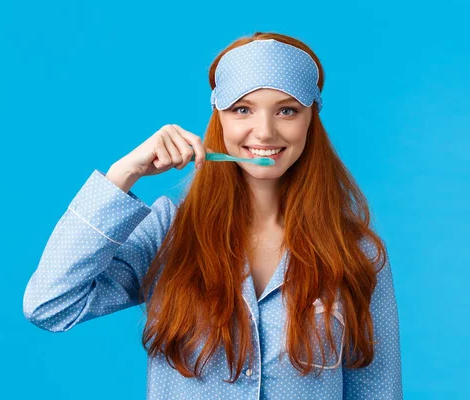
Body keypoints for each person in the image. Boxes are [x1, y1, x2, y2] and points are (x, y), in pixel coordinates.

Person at [23, 31, 403, 399]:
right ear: (219, 118)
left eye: (287, 110)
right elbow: (49, 306)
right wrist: (124, 175)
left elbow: (377, 391)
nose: (265, 131)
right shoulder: (167, 233)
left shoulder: (357, 253)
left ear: (311, 120)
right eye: (243, 109)